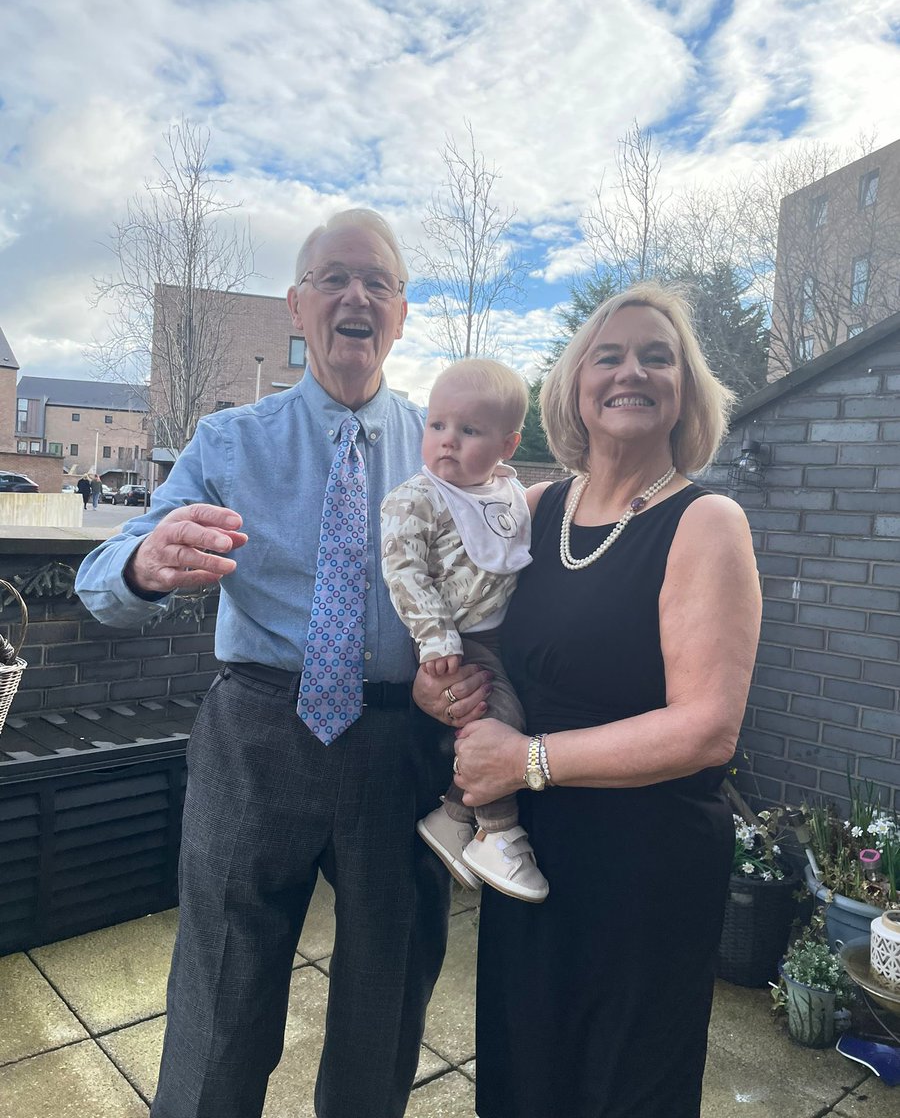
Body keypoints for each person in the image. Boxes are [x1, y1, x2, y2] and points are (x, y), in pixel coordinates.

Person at [75, 209, 477, 1118]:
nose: (355, 296)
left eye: (377, 281)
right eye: (333, 278)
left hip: (401, 746)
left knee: (388, 995)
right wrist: (143, 564)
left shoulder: (443, 451)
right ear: (297, 306)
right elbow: (102, 580)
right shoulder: (226, 444)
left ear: (404, 314)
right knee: (221, 993)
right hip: (256, 736)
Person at [414, 282, 762, 1118]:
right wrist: (447, 686)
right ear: (574, 383)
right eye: (608, 355)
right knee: (523, 1075)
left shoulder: (706, 522)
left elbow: (708, 728)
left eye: (657, 356)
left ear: (686, 386)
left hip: (645, 866)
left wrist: (524, 760)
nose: (630, 372)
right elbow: (481, 640)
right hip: (533, 857)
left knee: (620, 1089)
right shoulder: (531, 511)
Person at [381, 359, 548, 903]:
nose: (447, 441)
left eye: (469, 430)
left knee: (493, 712)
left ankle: (454, 818)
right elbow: (402, 572)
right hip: (458, 636)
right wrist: (435, 637)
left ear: (507, 443)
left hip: (498, 632)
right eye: (437, 426)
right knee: (496, 720)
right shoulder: (416, 498)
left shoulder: (502, 493)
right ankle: (497, 832)